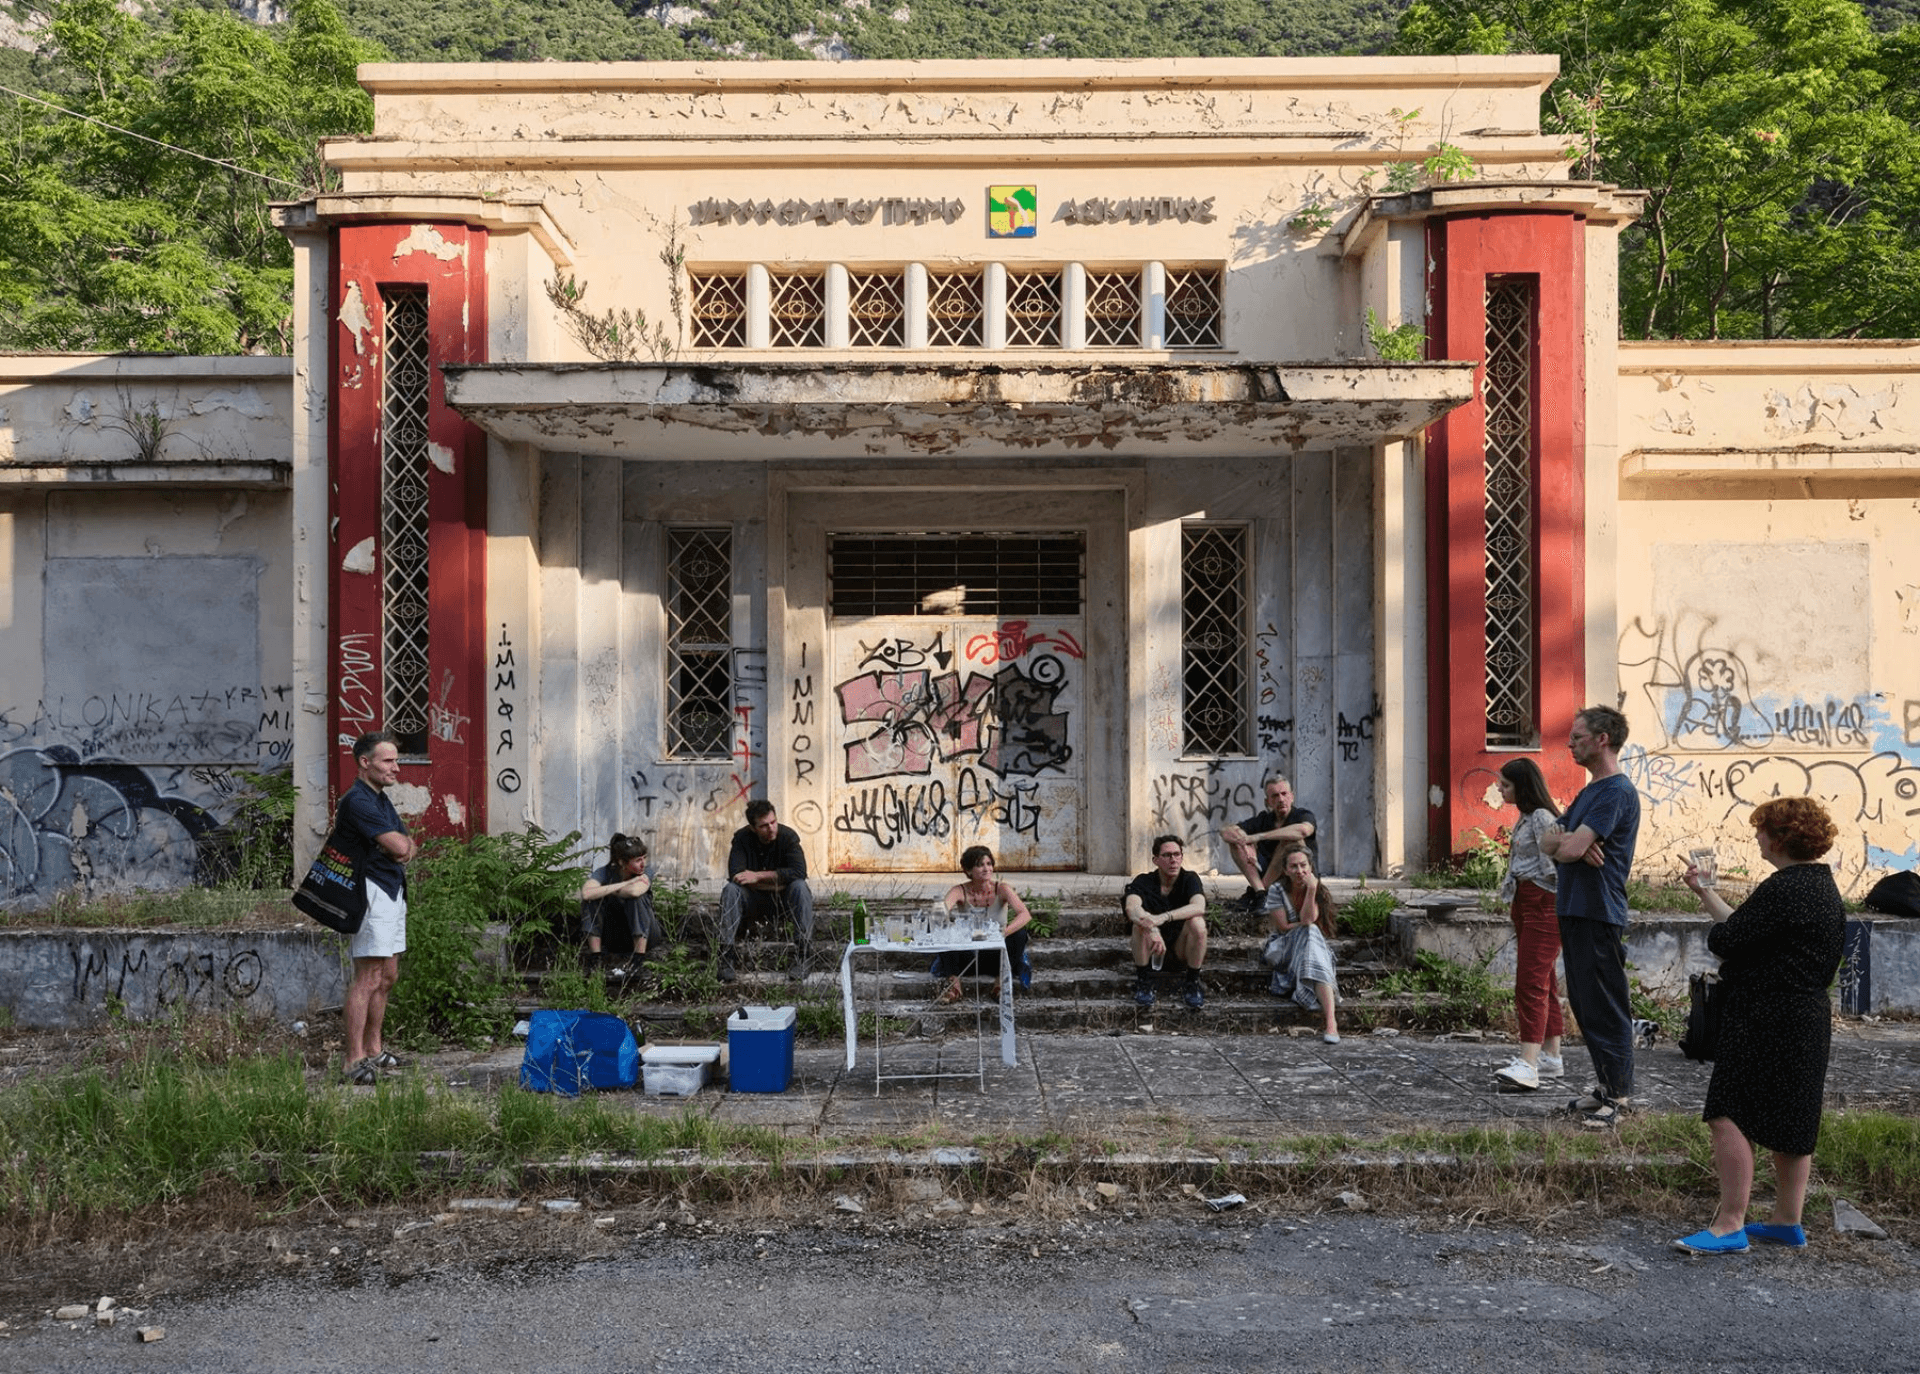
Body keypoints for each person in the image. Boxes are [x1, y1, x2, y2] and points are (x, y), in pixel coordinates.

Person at [1672, 797, 1846, 1255]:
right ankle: (1787, 1221)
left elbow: (1729, 939)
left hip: (1766, 1016)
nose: (1757, 838)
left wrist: (1719, 928)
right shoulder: (1821, 886)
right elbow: (1748, 931)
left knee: (1727, 1110)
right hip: (1806, 1016)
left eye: (1762, 830)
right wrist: (1706, 892)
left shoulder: (1783, 888)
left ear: (1781, 838)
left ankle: (1730, 1225)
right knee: (1793, 1116)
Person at [1539, 705, 1642, 1127]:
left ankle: (1620, 1096)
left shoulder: (1615, 791)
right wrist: (1565, 845)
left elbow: (1569, 848)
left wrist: (1570, 846)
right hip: (1574, 907)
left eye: (1578, 737)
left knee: (1605, 1004)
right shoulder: (1588, 793)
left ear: (1602, 740)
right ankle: (1604, 1086)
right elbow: (1548, 839)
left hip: (1599, 910)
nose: (1570, 744)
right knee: (1584, 1002)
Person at [338, 731, 415, 1087]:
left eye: (396, 760)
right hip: (370, 892)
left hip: (391, 889)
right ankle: (353, 1061)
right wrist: (398, 847)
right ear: (364, 763)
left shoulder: (379, 798)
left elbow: (406, 845)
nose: (396, 768)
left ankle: (374, 1050)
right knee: (368, 977)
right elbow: (400, 845)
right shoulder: (358, 801)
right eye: (388, 761)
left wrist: (400, 847)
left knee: (387, 977)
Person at [1491, 758, 1566, 1091]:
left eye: (1505, 785)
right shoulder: (1525, 817)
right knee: (1544, 979)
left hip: (1542, 904)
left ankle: (1529, 1064)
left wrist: (1544, 900)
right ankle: (1551, 1055)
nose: (1499, 788)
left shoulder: (1540, 817)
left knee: (1530, 983)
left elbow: (1555, 863)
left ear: (1522, 786)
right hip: (1526, 902)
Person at [718, 799, 814, 983]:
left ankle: (804, 956)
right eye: (764, 826)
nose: (771, 829)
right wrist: (779, 881)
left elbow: (799, 872)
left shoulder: (788, 837)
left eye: (773, 822)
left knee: (800, 888)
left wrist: (757, 877)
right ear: (753, 828)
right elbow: (736, 876)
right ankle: (726, 957)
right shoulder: (741, 838)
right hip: (753, 901)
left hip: (783, 902)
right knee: (731, 890)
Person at [931, 845, 1034, 1005]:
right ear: (968, 870)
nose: (987, 869)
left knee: (1020, 934)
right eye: (980, 865)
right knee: (945, 933)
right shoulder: (960, 890)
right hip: (968, 957)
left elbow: (1025, 914)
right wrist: (942, 916)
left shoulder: (1002, 888)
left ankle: (1000, 984)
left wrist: (1004, 933)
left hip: (996, 956)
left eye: (989, 864)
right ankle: (954, 987)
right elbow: (941, 912)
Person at [1259, 843, 1341, 1042]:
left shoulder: (1316, 888)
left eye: (1303, 865)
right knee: (1310, 932)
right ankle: (1331, 1022)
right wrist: (1306, 925)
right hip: (1282, 948)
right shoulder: (1276, 890)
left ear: (1310, 867)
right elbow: (1286, 927)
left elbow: (1307, 921)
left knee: (1311, 934)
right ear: (1286, 870)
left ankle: (1331, 1023)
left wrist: (1311, 889)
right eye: (1294, 866)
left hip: (1308, 948)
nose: (1300, 871)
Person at [1124, 834, 1209, 1010]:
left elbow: (1199, 906)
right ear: (1155, 860)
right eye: (1167, 855)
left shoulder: (1189, 879)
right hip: (1151, 950)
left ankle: (1192, 982)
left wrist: (1163, 917)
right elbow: (1132, 908)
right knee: (1139, 924)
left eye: (1177, 855)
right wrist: (1153, 928)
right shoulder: (1143, 881)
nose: (1173, 860)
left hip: (1181, 949)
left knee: (1198, 923)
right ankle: (1144, 981)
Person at [1220, 775, 1319, 911]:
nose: (1280, 799)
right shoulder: (1264, 819)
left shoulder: (1302, 815)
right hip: (1268, 875)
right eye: (1275, 796)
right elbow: (1226, 831)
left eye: (1284, 794)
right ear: (1268, 802)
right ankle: (1261, 893)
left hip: (1296, 876)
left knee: (1291, 840)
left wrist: (1257, 837)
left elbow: (1303, 830)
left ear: (1292, 796)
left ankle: (1259, 893)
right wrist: (1244, 842)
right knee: (1236, 842)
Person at [579, 832, 666, 976]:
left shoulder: (646, 872)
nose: (643, 863)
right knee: (591, 901)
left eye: (644, 858)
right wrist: (626, 883)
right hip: (614, 936)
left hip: (648, 935)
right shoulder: (605, 872)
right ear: (622, 862)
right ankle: (596, 959)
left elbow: (635, 892)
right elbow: (587, 893)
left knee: (636, 900)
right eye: (638, 860)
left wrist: (605, 889)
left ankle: (638, 961)